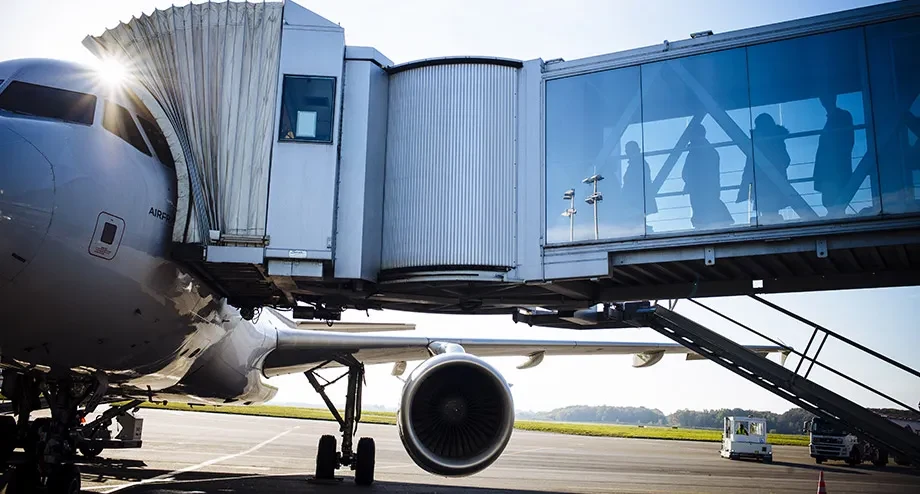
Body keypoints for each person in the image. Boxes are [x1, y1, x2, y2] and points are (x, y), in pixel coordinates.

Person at [739, 113, 793, 223]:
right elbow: (786, 160)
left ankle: (768, 221)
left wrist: (745, 187)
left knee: (766, 204)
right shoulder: (776, 140)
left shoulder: (757, 144)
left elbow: (749, 167)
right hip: (772, 182)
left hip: (761, 182)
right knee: (770, 205)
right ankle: (772, 221)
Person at [682, 123, 733, 230]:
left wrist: (689, 182)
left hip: (699, 187)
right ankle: (720, 221)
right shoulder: (709, 150)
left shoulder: (696, 151)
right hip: (706, 187)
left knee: (701, 208)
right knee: (706, 206)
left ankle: (711, 224)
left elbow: (688, 171)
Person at [814, 94, 855, 218]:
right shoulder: (838, 117)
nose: (824, 102)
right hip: (831, 169)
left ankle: (835, 216)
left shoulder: (841, 117)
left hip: (833, 170)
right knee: (831, 197)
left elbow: (846, 142)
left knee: (832, 196)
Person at [622, 141, 658, 234]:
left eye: (629, 151)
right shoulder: (638, 163)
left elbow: (634, 184)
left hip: (636, 201)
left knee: (636, 224)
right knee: (636, 223)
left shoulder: (637, 164)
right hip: (636, 200)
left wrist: (629, 199)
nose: (627, 153)